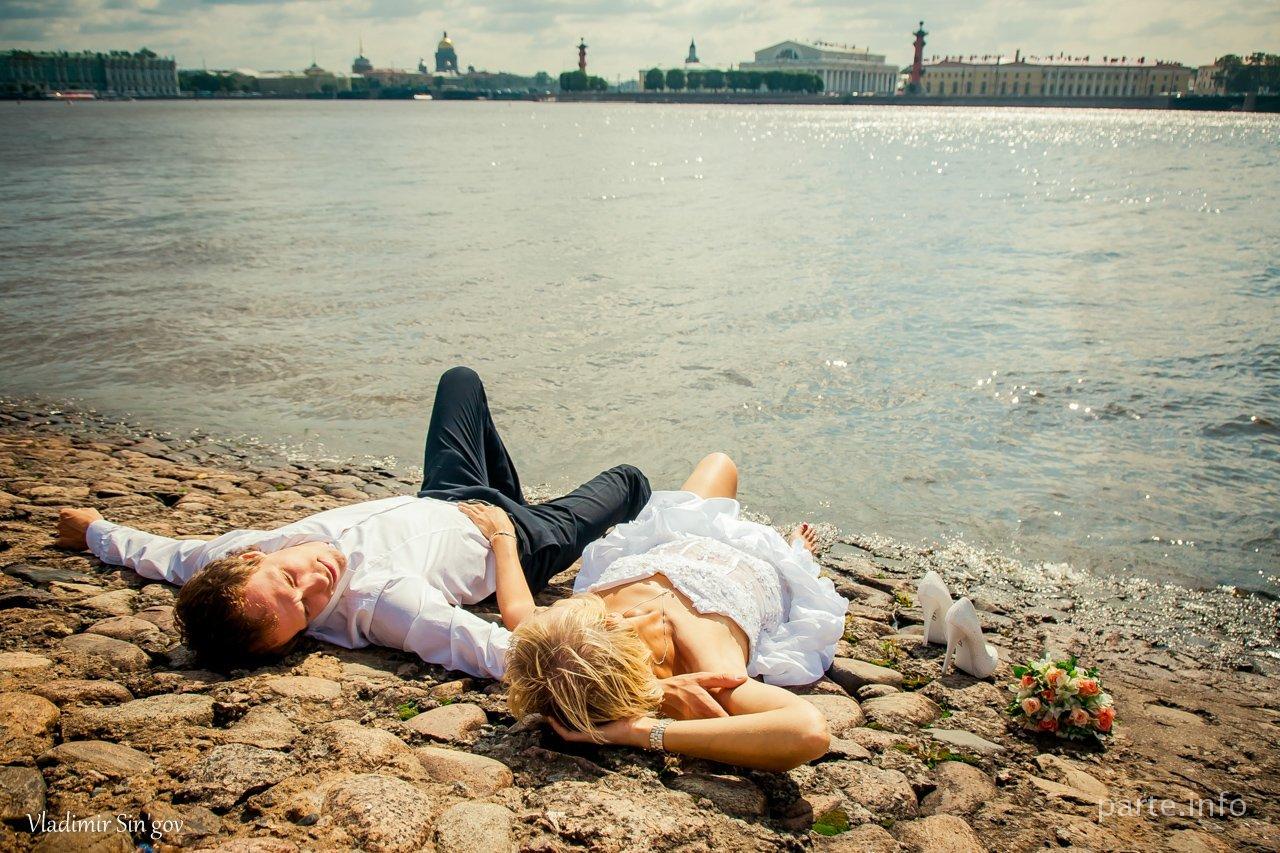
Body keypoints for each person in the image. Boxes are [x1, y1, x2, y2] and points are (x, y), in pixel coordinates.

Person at [55, 366, 653, 678]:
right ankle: (652, 544)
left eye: (290, 580)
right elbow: (489, 649)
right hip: (519, 546)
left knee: (460, 381)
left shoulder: (237, 555)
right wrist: (627, 688)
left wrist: (94, 531)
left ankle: (506, 495)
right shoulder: (382, 603)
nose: (317, 584)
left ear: (248, 560)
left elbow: (165, 554)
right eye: (306, 610)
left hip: (446, 492)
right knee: (628, 481)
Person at [489, 452, 849, 772]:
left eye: (571, 605)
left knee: (719, 462)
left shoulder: (563, 637)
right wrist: (642, 731)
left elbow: (520, 612)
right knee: (785, 559)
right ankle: (794, 558)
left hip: (679, 538)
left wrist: (502, 536)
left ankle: (788, 553)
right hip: (748, 566)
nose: (571, 602)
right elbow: (808, 732)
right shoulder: (708, 667)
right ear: (612, 629)